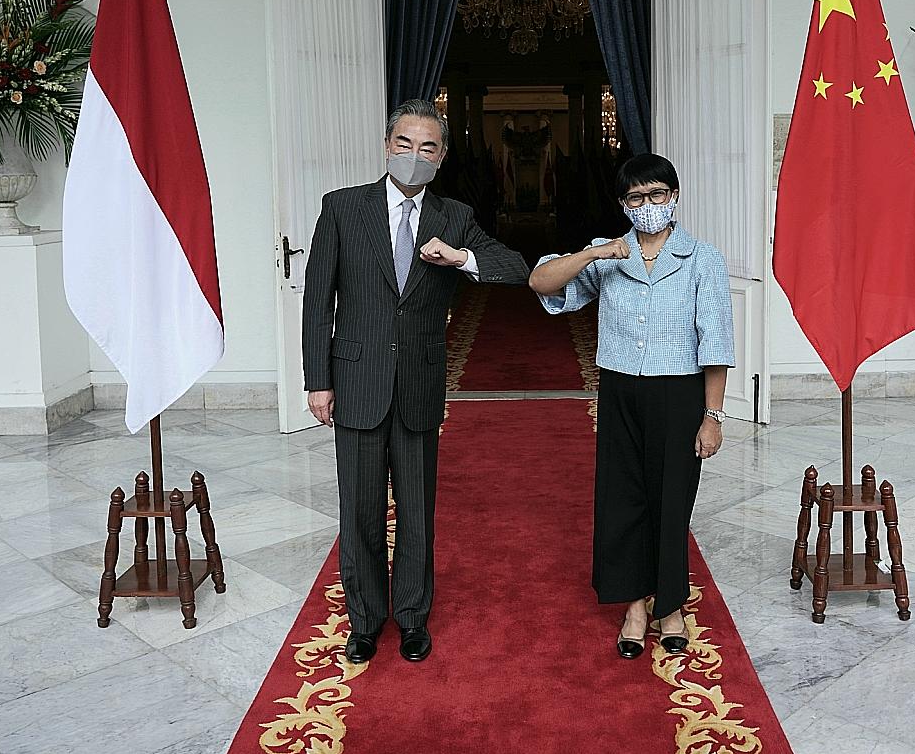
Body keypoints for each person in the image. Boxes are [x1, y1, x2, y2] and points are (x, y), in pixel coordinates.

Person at [302, 98, 529, 663]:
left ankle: (411, 618)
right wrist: (317, 379)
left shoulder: (453, 216)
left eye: (427, 148)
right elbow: (316, 302)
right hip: (355, 380)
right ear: (386, 146)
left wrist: (462, 259)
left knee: (416, 509)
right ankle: (364, 620)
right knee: (358, 510)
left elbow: (516, 268)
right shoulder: (342, 208)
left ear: (442, 156)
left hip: (420, 387)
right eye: (405, 144)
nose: (414, 155)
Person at [528, 153, 734, 659]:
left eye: (657, 194)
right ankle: (634, 606)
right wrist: (593, 256)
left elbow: (717, 343)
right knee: (624, 499)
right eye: (636, 198)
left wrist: (712, 416)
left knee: (671, 499)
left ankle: (670, 605)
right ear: (623, 204)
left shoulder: (701, 258)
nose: (648, 205)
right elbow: (542, 284)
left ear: (675, 196)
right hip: (620, 390)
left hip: (678, 393)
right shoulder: (608, 253)